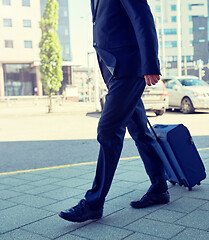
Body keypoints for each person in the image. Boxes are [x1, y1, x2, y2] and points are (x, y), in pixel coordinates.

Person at [59, 0, 169, 223]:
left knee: (108, 130)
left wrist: (150, 64)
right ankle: (159, 188)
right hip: (114, 68)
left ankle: (93, 203)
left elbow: (143, 18)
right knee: (139, 130)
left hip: (130, 68)